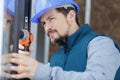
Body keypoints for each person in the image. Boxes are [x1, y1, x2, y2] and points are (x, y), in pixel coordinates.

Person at [2, 0, 120, 80]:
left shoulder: (101, 44)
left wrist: (39, 71)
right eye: (43, 23)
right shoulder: (56, 58)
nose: (46, 27)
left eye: (51, 19)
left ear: (71, 16)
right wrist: (18, 66)